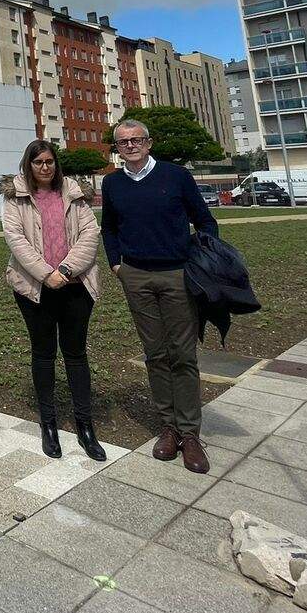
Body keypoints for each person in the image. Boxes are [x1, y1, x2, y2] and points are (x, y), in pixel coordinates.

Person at [101, 118, 220, 474]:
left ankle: (190, 433)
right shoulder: (113, 182)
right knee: (155, 353)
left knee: (183, 354)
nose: (131, 146)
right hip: (135, 275)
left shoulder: (175, 176)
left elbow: (205, 221)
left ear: (149, 143)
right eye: (123, 142)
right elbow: (109, 227)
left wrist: (201, 261)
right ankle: (167, 426)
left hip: (176, 274)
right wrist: (116, 266)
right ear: (117, 148)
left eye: (136, 140)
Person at [0, 139, 105, 462]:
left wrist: (66, 268)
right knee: (43, 355)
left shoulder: (73, 194)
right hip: (36, 288)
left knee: (75, 354)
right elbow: (16, 240)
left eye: (49, 162)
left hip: (75, 286)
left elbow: (90, 233)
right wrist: (47, 274)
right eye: (38, 162)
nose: (45, 167)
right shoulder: (15, 198)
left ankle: (85, 425)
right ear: (28, 165)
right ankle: (49, 424)